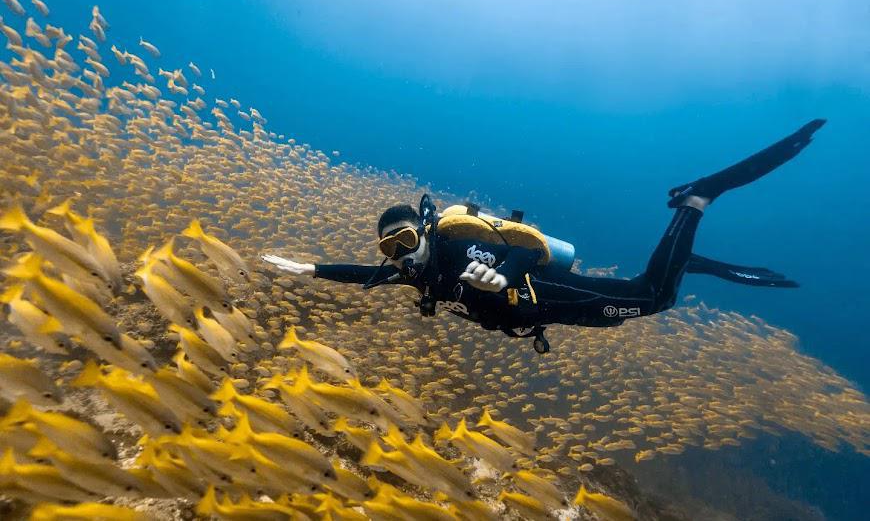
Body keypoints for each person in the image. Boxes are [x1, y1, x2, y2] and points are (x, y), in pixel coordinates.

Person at [262, 120, 825, 353]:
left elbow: (525, 251)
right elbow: (363, 276)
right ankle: (687, 258)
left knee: (654, 297)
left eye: (405, 242)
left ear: (424, 234)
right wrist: (309, 268)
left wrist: (498, 275)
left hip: (551, 295)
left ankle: (695, 202)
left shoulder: (455, 246)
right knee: (653, 292)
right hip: (546, 314)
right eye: (391, 250)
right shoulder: (423, 275)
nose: (400, 258)